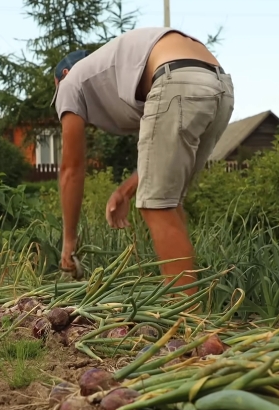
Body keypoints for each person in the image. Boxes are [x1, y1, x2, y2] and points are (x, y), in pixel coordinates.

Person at [52, 27, 234, 296]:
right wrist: (124, 191)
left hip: (177, 78)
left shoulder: (69, 83)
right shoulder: (118, 73)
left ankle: (190, 321)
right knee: (169, 202)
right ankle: (189, 304)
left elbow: (71, 170)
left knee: (157, 206)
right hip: (219, 84)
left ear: (63, 76)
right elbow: (159, 152)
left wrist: (69, 242)